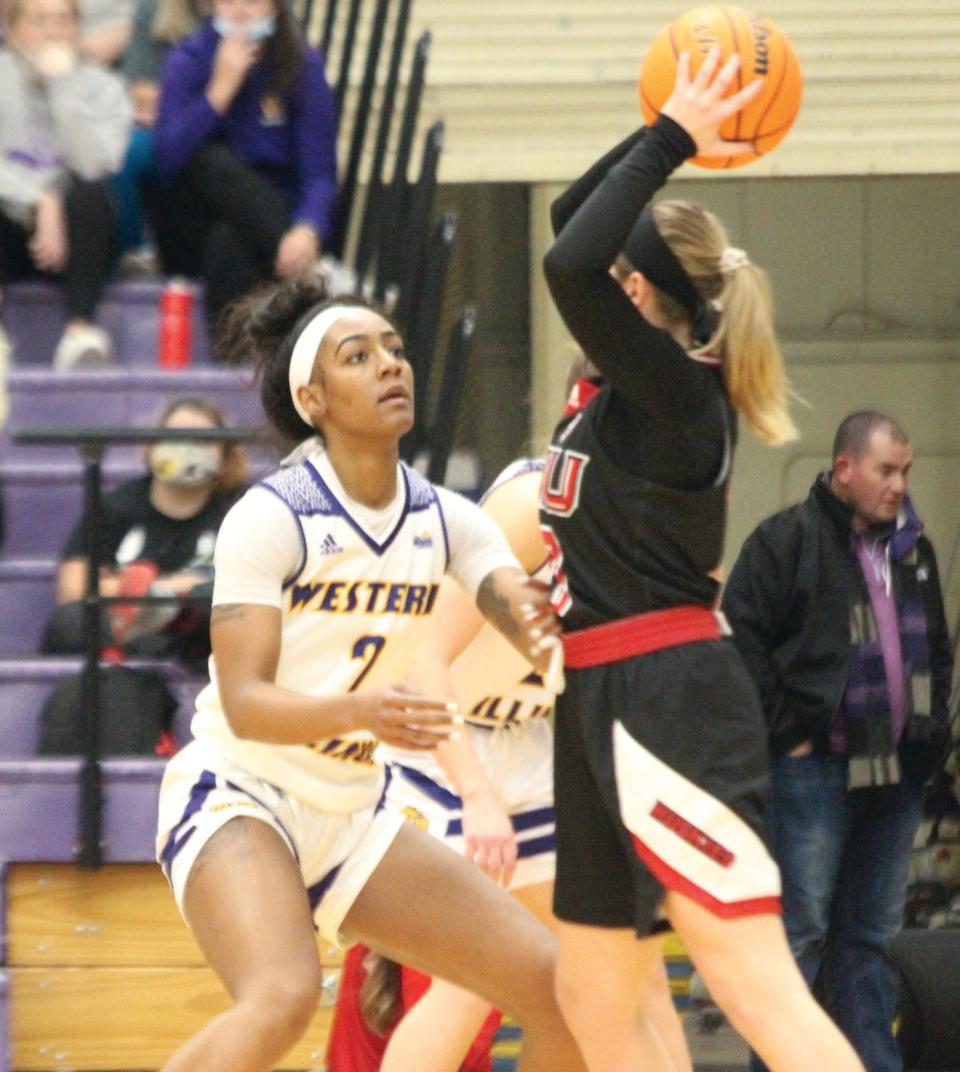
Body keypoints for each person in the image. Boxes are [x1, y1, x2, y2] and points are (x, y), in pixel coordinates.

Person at [154, 278, 588, 1072]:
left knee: (558, 986)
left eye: (394, 349)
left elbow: (533, 623)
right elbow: (245, 706)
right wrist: (365, 711)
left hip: (352, 811)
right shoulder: (271, 514)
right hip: (241, 789)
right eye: (360, 356)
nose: (391, 365)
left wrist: (621, 672)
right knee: (282, 998)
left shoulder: (449, 519)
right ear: (314, 397)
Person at [538, 48, 865, 1072]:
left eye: (616, 272)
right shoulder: (639, 378)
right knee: (594, 991)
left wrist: (673, 138)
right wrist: (660, 131)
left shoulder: (676, 393)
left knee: (750, 980)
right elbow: (569, 226)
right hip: (597, 690)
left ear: (634, 290)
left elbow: (564, 261)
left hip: (668, 696)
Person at [365, 397, 693, 1072]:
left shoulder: (649, 522)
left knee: (621, 974)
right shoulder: (526, 508)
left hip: (537, 741)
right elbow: (424, 658)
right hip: (444, 738)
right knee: (467, 986)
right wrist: (477, 795)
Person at [721, 410, 954, 1072]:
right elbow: (739, 640)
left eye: (906, 471)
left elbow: (936, 650)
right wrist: (787, 733)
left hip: (898, 774)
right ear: (845, 469)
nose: (900, 484)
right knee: (801, 937)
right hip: (812, 772)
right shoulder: (785, 542)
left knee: (869, 939)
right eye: (886, 470)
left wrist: (931, 735)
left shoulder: (915, 549)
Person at [153, 0, 336, 334]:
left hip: (266, 226)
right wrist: (219, 93)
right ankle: (311, 281)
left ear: (276, 7)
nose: (239, 10)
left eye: (252, 1)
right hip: (190, 227)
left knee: (231, 241)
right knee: (212, 161)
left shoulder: (301, 64)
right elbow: (166, 160)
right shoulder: (188, 58)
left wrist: (307, 230)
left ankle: (232, 367)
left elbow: (320, 173)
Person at [42, 396, 248, 670]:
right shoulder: (115, 505)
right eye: (174, 437)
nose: (186, 448)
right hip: (121, 636)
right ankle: (125, 645)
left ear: (225, 458)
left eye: (201, 439)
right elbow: (73, 588)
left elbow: (242, 587)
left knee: (222, 612)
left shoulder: (241, 513)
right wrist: (171, 588)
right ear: (151, 447)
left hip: (191, 639)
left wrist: (141, 589)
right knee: (69, 622)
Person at [0, 0, 130, 369]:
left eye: (62, 21)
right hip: (12, 230)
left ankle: (78, 334)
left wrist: (63, 88)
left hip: (80, 240)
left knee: (91, 194)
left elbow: (94, 166)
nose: (53, 32)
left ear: (77, 30)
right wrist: (38, 199)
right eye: (39, 21)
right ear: (12, 31)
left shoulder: (106, 86)